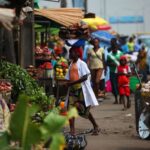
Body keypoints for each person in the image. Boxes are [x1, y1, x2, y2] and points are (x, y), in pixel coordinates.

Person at [64, 46, 99, 136]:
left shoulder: (82, 63)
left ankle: (95, 126)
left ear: (77, 53)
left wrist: (72, 83)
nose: (71, 54)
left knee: (84, 111)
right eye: (70, 52)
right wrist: (66, 83)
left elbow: (85, 77)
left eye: (72, 52)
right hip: (72, 91)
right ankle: (72, 130)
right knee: (70, 109)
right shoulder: (71, 64)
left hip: (81, 90)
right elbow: (68, 77)